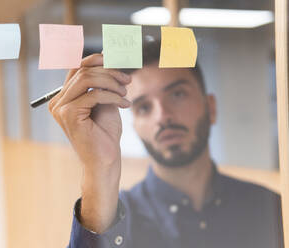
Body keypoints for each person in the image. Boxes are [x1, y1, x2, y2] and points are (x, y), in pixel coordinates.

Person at [49, 40, 283, 248]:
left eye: (177, 95)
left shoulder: (271, 209)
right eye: (144, 107)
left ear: (211, 107)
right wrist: (99, 170)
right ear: (135, 124)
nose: (162, 116)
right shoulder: (113, 220)